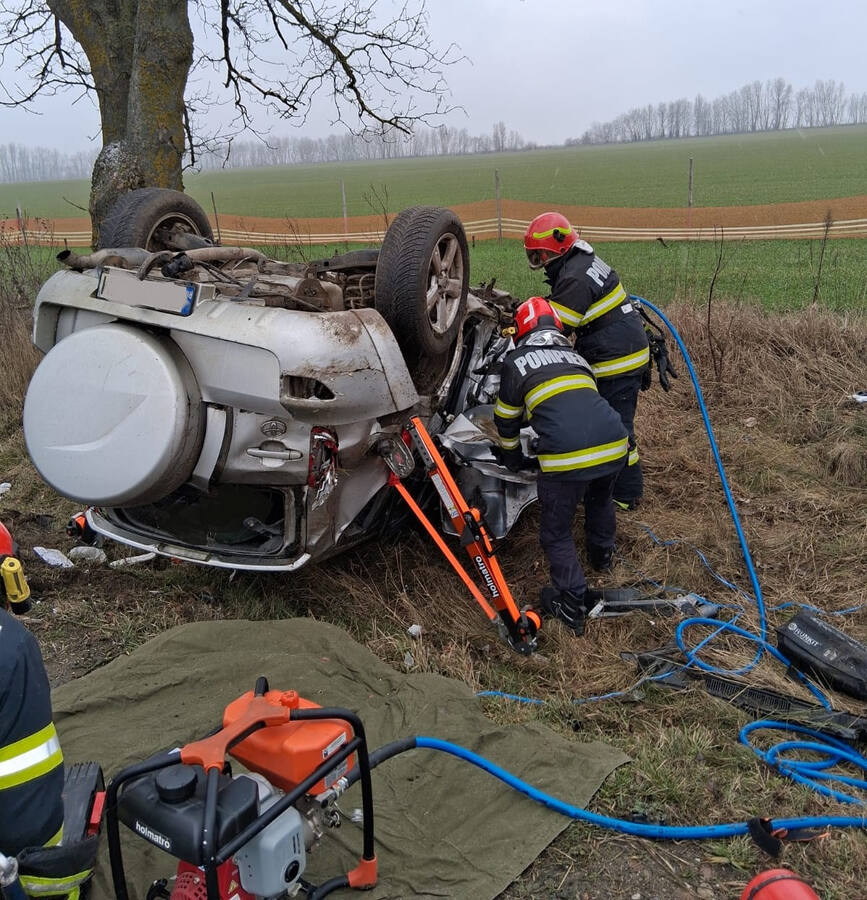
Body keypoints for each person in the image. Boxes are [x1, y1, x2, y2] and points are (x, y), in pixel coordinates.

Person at [493, 298, 628, 635]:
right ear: (556, 329)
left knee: (556, 531)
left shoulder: (516, 360)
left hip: (567, 458)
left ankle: (571, 598)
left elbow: (505, 420)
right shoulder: (578, 359)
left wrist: (512, 457)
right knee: (598, 500)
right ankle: (602, 556)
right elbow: (580, 406)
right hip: (615, 443)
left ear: (522, 331)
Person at [523, 212, 649, 510]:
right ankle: (612, 485)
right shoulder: (582, 263)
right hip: (623, 349)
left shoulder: (575, 278)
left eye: (540, 254)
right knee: (613, 424)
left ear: (557, 249)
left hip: (617, 361)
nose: (538, 260)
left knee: (617, 429)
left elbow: (555, 326)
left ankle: (625, 496)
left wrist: (523, 321)